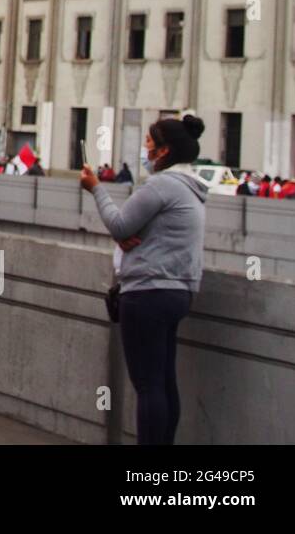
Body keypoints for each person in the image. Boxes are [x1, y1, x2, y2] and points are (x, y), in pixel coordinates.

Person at [80, 114, 207, 445]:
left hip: (147, 292)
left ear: (164, 151)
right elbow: (149, 231)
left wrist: (95, 188)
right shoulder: (191, 189)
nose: (145, 149)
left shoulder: (161, 185)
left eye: (149, 142)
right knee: (164, 381)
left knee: (148, 385)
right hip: (178, 291)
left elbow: (120, 225)